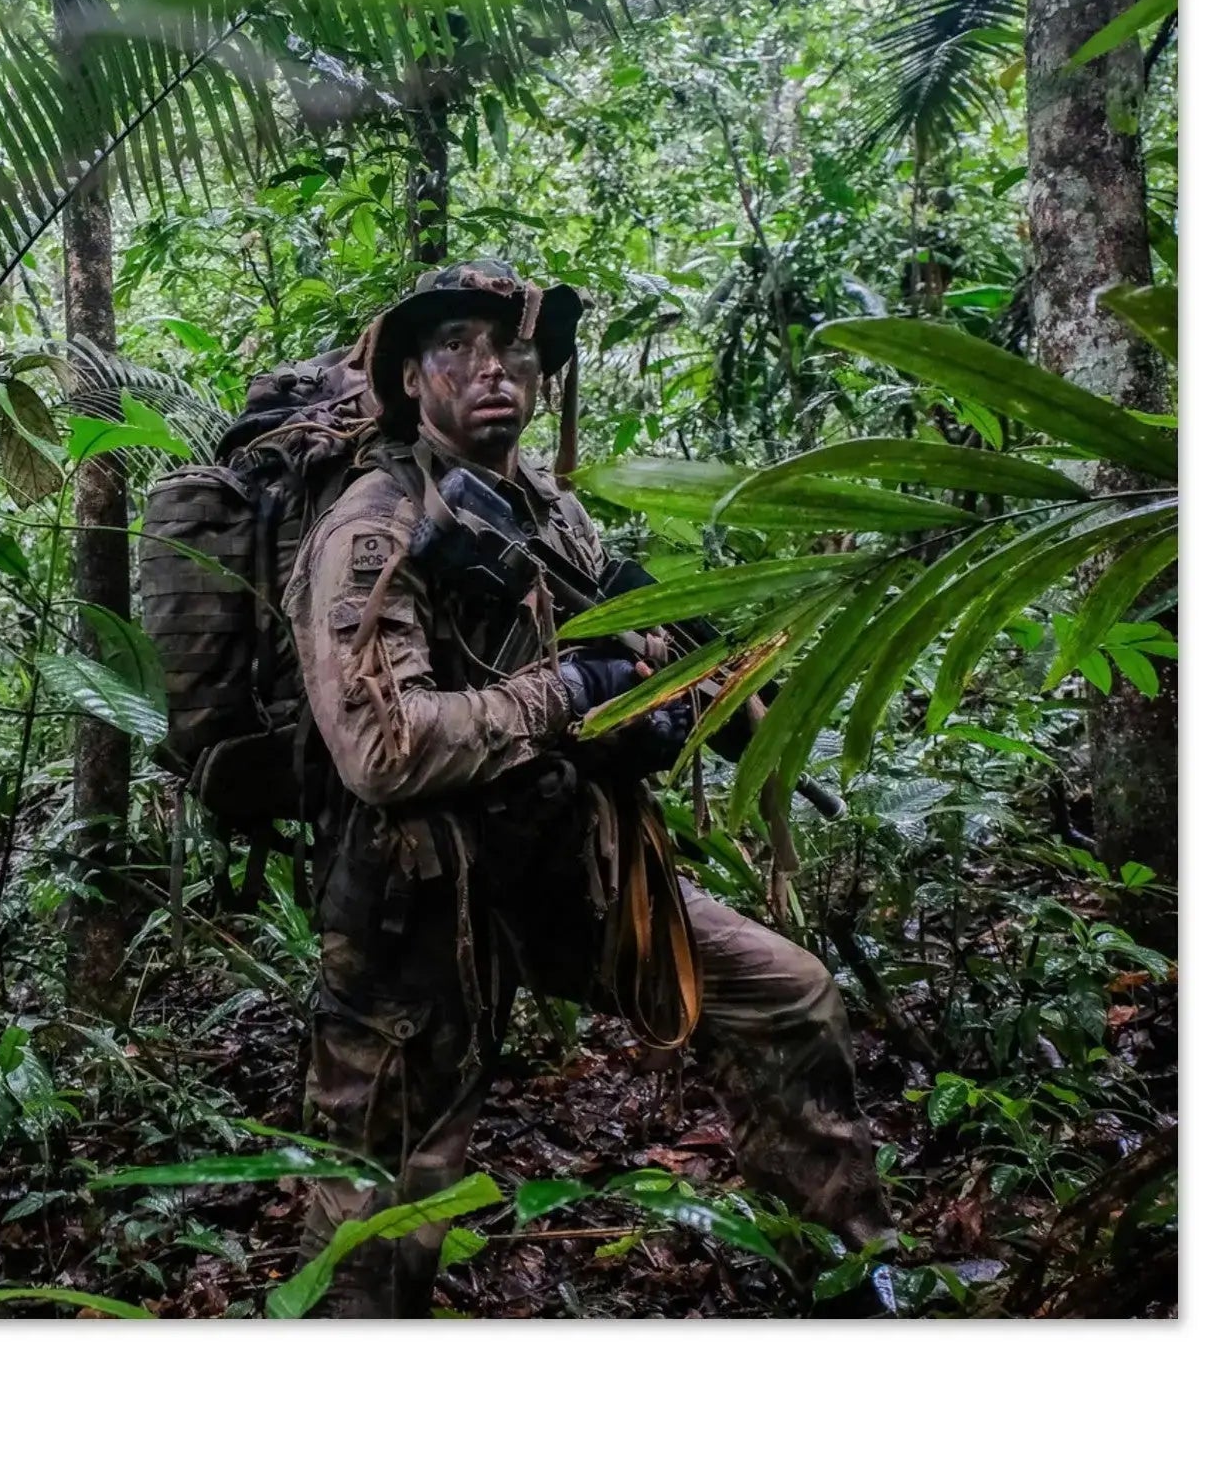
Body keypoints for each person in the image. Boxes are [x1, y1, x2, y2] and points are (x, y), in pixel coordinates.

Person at [284, 259, 893, 1316]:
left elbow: (616, 660)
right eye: (457, 348)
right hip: (417, 905)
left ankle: (849, 1285)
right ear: (409, 377)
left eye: (514, 350)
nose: (492, 371)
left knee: (784, 996)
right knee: (380, 1208)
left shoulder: (552, 515)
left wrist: (643, 712)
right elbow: (380, 751)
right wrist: (565, 691)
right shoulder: (371, 527)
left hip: (571, 867)